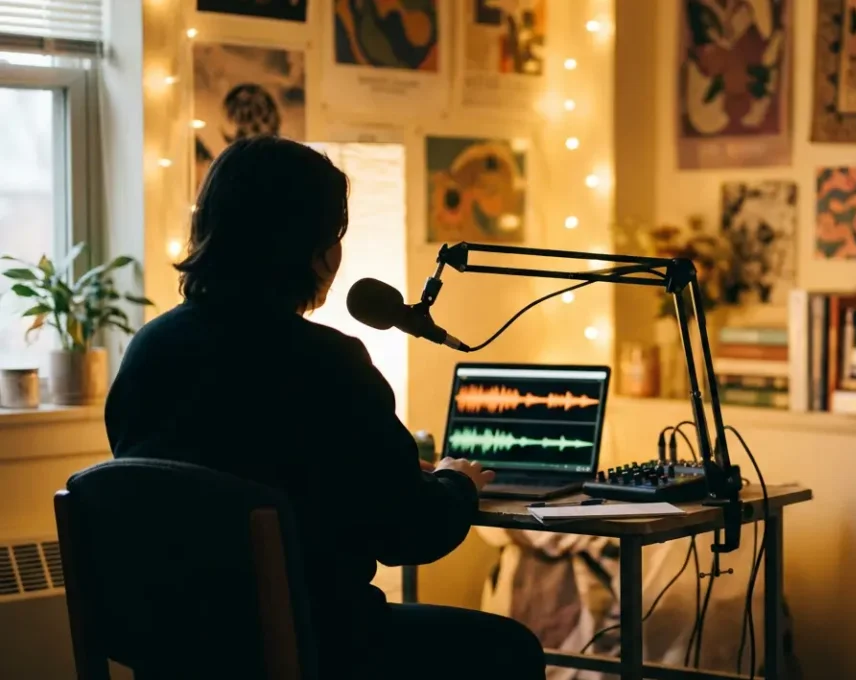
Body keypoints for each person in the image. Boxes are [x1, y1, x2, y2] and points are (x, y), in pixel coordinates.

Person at [105, 136, 545, 679]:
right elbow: (408, 532)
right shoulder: (327, 362)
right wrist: (455, 482)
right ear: (312, 249)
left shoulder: (148, 349)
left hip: (175, 649)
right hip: (315, 646)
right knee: (510, 649)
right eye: (334, 237)